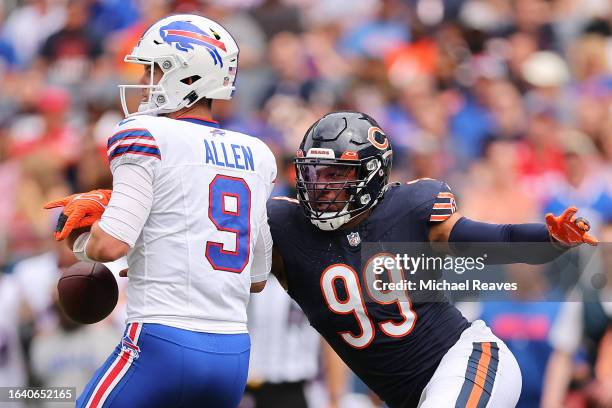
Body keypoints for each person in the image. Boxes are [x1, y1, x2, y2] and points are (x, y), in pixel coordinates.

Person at [267, 111, 597, 408]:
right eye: (313, 173)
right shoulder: (286, 228)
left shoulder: (408, 210)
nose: (319, 187)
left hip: (469, 362)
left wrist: (547, 239)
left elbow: (496, 239)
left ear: (370, 174)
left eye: (334, 174)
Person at [44, 14, 277, 408]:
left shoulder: (145, 134)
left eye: (154, 69)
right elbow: (256, 277)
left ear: (186, 77)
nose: (143, 82)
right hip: (233, 354)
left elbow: (109, 247)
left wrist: (83, 237)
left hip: (162, 343)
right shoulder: (256, 153)